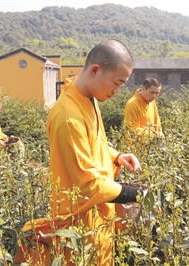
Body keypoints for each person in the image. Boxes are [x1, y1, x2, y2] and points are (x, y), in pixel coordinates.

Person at [14, 39, 144, 265]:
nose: (117, 91)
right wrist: (136, 194)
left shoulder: (87, 97)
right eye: (116, 82)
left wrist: (116, 156)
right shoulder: (68, 116)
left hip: (98, 212)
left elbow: (93, 142)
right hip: (79, 222)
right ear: (95, 70)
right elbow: (87, 183)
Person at [124, 77, 164, 143]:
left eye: (157, 93)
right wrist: (153, 135)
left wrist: (160, 137)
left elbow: (157, 123)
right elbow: (131, 130)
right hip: (136, 148)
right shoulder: (132, 104)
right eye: (152, 92)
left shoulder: (152, 101)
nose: (154, 96)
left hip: (151, 146)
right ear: (143, 89)